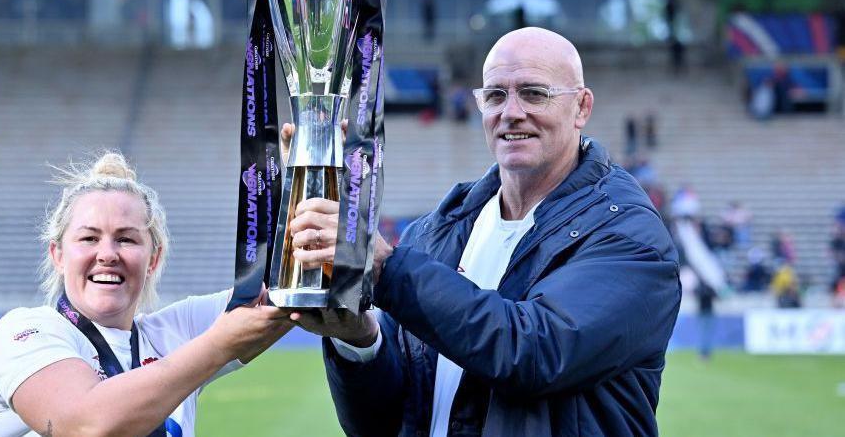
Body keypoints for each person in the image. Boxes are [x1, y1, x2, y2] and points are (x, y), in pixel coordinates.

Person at [284, 28, 681, 436]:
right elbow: (385, 424)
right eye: (494, 95)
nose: (511, 112)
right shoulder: (439, 230)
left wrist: (385, 268)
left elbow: (535, 353)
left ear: (581, 107)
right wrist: (361, 342)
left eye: (533, 93)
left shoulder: (627, 232)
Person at [0, 153, 292, 436]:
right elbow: (84, 427)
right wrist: (217, 344)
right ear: (58, 255)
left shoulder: (172, 334)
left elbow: (284, 289)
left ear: (153, 258)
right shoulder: (25, 333)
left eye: (126, 239)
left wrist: (296, 189)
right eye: (89, 238)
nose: (107, 254)